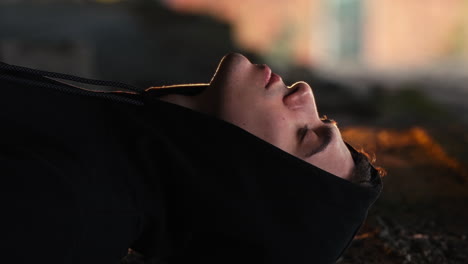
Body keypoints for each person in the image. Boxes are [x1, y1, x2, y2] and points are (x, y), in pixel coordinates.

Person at [0, 53, 382, 264]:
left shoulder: (61, 215)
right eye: (324, 120)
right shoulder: (112, 136)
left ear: (249, 183)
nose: (305, 93)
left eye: (305, 134)